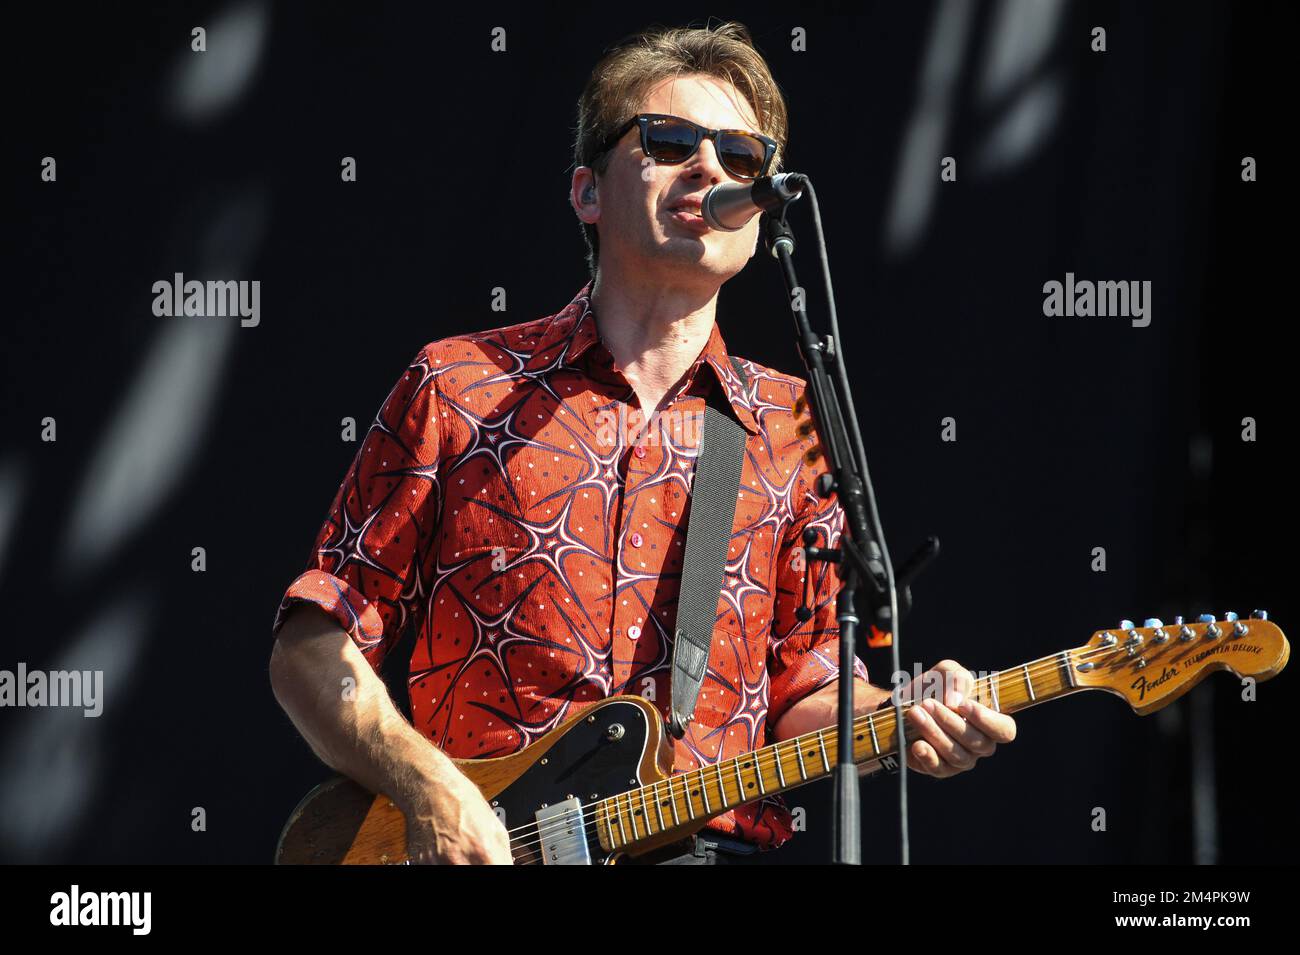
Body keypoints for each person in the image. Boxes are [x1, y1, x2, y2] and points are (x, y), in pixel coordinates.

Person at [268, 21, 1015, 866]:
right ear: (587, 191)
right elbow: (312, 642)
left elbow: (801, 681)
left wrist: (902, 712)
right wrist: (429, 787)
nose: (711, 170)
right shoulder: (459, 384)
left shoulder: (789, 422)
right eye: (669, 141)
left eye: (742, 156)